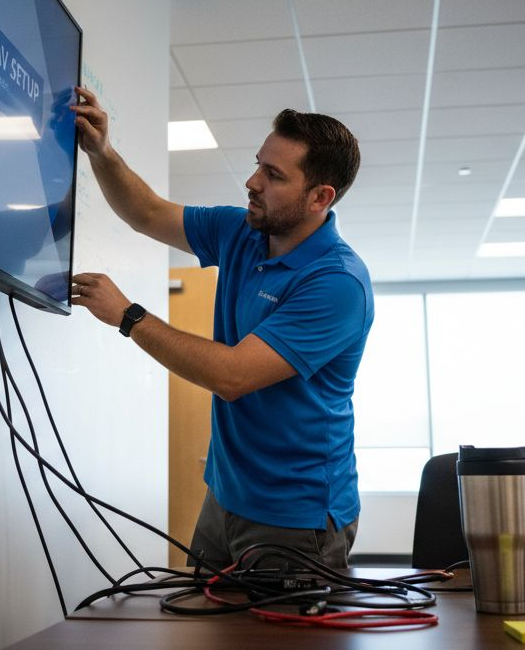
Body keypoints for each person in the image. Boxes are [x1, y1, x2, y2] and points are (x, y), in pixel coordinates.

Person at [68, 86, 373, 571]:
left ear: (320, 197)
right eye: (258, 164)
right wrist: (102, 152)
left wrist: (128, 316)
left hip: (296, 516)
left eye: (273, 175)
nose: (252, 181)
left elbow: (232, 377)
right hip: (225, 497)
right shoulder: (241, 232)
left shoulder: (338, 283)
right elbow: (146, 212)